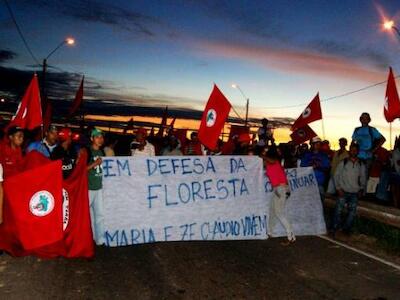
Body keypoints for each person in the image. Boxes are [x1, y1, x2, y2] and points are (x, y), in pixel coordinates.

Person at [331, 143, 366, 236]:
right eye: (352, 149)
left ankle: (346, 229)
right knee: (338, 210)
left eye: (355, 150)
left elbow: (363, 177)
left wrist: (361, 189)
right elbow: (336, 175)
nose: (354, 151)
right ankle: (335, 228)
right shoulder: (344, 162)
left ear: (358, 152)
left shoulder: (361, 164)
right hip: (343, 191)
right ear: (349, 150)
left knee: (352, 212)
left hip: (355, 192)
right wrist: (338, 188)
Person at [265, 146, 295, 245]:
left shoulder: (273, 164)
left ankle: (290, 236)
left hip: (280, 189)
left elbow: (275, 182)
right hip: (281, 188)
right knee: (273, 211)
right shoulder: (274, 164)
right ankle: (270, 232)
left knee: (279, 213)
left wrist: (263, 156)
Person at [87, 128, 105, 245]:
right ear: (92, 138)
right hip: (88, 188)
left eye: (101, 137)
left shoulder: (102, 152)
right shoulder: (87, 152)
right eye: (97, 137)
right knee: (88, 215)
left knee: (99, 214)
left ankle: (100, 239)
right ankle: (89, 238)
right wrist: (94, 164)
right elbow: (80, 170)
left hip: (99, 188)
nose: (100, 139)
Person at [301, 137, 330, 201]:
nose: (318, 146)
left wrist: (318, 167)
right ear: (311, 144)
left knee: (320, 204)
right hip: (308, 183)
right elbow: (302, 168)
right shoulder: (306, 155)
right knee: (308, 203)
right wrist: (310, 167)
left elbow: (327, 169)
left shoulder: (324, 155)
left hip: (319, 183)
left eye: (319, 144)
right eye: (316, 144)